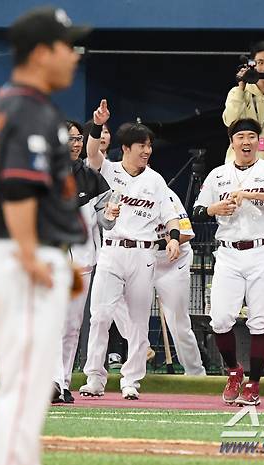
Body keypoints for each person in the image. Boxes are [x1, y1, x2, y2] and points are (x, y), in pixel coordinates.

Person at [0, 7, 89, 465]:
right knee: (25, 383)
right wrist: (32, 256)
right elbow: (18, 187)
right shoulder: (27, 109)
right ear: (42, 53)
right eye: (67, 46)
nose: (75, 56)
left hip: (20, 252)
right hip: (21, 254)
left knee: (26, 382)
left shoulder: (12, 102)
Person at [193, 117, 264, 406]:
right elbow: (198, 210)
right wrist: (215, 207)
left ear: (259, 141)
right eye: (240, 137)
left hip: (263, 251)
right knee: (220, 320)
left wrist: (248, 194)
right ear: (232, 142)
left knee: (260, 322)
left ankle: (253, 383)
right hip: (228, 252)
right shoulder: (218, 175)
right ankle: (233, 371)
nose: (246, 142)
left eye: (252, 136)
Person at [81, 112, 181, 400]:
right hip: (111, 250)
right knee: (100, 315)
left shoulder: (156, 181)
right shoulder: (109, 170)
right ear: (126, 148)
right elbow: (91, 151)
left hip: (143, 254)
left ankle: (131, 380)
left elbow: (170, 216)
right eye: (141, 145)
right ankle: (95, 377)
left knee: (138, 320)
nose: (147, 151)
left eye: (149, 145)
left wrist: (173, 239)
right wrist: (98, 124)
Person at [51, 119, 115, 404]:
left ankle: (63, 383)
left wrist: (111, 215)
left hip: (82, 261)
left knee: (72, 325)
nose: (75, 144)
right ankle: (50, 380)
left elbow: (105, 221)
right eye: (70, 138)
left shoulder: (93, 178)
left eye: (79, 139)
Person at [153, 188, 206, 376]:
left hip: (174, 261)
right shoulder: (120, 194)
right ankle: (142, 350)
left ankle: (195, 373)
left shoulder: (165, 193)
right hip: (142, 259)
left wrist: (152, 243)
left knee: (178, 323)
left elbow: (186, 233)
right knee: (113, 303)